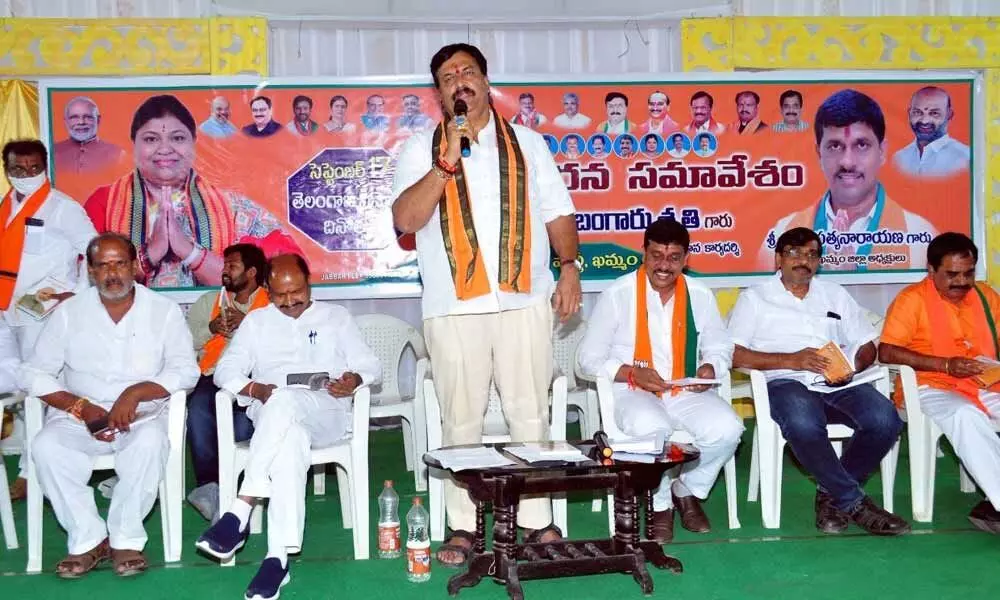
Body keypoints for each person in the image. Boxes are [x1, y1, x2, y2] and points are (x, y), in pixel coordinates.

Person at [391, 42, 581, 567]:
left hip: (524, 300)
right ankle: (463, 525)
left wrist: (569, 267)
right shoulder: (419, 149)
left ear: (485, 80)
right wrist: (444, 163)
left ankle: (537, 522)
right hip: (453, 307)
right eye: (448, 76)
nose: (459, 82)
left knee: (530, 414)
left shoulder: (528, 143)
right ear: (438, 92)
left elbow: (558, 213)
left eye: (468, 72)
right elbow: (406, 221)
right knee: (461, 420)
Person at [195, 254, 381, 600]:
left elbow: (370, 365)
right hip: (272, 413)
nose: (291, 300)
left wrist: (354, 379)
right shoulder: (256, 322)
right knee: (288, 436)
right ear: (267, 289)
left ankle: (241, 507)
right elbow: (225, 371)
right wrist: (254, 390)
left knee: (285, 401)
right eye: (280, 295)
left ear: (309, 283)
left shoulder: (335, 318)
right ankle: (276, 559)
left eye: (297, 291)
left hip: (325, 410)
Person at [20, 232, 200, 578]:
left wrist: (135, 393)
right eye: (103, 266)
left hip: (141, 418)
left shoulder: (163, 312)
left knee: (149, 445)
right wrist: (81, 407)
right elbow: (34, 373)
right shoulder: (69, 313)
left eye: (120, 264)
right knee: (45, 447)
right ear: (90, 271)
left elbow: (185, 370)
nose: (112, 273)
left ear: (135, 267)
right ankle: (87, 540)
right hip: (78, 417)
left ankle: (125, 539)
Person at [729, 227, 911, 536]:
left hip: (840, 383)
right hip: (786, 381)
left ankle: (831, 495)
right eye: (794, 254)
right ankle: (854, 502)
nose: (803, 261)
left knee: (885, 420)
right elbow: (734, 354)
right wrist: (791, 360)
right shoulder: (755, 298)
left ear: (819, 261)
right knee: (803, 423)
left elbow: (868, 344)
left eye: (811, 254)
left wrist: (852, 365)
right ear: (778, 259)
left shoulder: (834, 293)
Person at [577, 219, 743, 542]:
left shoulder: (700, 294)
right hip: (633, 390)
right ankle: (661, 503)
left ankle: (688, 489)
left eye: (673, 258)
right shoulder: (618, 294)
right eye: (656, 256)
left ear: (686, 259)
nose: (664, 266)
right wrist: (631, 372)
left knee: (729, 429)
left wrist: (711, 366)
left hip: (683, 388)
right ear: (644, 253)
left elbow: (720, 345)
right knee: (654, 430)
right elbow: (586, 360)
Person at [84, 94, 300, 288]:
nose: (165, 148)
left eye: (177, 138)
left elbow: (286, 272)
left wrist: (189, 251)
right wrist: (152, 252)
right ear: (134, 144)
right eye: (151, 139)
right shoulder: (104, 203)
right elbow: (85, 282)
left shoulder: (234, 208)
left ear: (194, 143)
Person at [878, 232, 1000, 534]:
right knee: (964, 415)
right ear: (931, 271)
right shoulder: (911, 300)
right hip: (929, 386)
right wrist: (944, 364)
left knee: (971, 413)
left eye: (968, 273)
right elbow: (887, 351)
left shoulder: (986, 296)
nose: (961, 281)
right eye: (952, 274)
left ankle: (991, 504)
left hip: (984, 383)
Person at [2, 139, 97, 502]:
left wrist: (74, 295)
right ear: (6, 170)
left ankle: (31, 473)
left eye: (33, 168)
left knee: (39, 390)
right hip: (5, 308)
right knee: (15, 391)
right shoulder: (6, 206)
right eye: (17, 169)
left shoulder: (62, 208)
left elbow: (93, 251)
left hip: (38, 308)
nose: (26, 175)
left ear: (45, 166)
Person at [758, 89, 936, 271]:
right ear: (819, 153)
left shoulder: (921, 238)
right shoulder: (779, 238)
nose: (847, 162)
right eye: (835, 146)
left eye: (861, 145)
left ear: (882, 151)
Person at [184, 243, 269, 521]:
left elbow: (281, 345)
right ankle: (209, 488)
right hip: (211, 376)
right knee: (198, 409)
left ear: (252, 272)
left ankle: (243, 489)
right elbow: (183, 345)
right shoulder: (209, 302)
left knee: (241, 422)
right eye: (225, 266)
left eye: (232, 266)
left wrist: (247, 323)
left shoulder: (270, 304)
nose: (225, 272)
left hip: (255, 379)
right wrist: (210, 330)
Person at [892, 86, 970, 178]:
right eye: (917, 112)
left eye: (934, 113)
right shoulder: (900, 158)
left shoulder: (966, 158)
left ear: (949, 115)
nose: (924, 121)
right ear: (909, 113)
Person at [53, 96, 126, 175]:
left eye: (88, 117)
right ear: (66, 121)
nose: (81, 122)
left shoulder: (118, 154)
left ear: (98, 120)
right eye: (74, 117)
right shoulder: (52, 152)